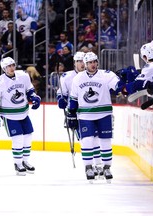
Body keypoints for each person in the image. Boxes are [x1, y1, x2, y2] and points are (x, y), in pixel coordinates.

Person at [67, 52, 123, 182]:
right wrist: (71, 113)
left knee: (105, 141)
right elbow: (74, 98)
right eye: (90, 62)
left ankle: (107, 167)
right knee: (87, 141)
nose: (93, 64)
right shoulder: (78, 78)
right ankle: (88, 167)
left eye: (94, 62)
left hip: (104, 114)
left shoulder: (106, 75)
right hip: (85, 115)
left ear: (97, 62)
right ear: (85, 64)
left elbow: (118, 87)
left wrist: (123, 82)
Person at [0, 57, 41, 176]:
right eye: (9, 66)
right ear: (4, 68)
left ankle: (25, 161)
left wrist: (34, 97)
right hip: (9, 115)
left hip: (24, 112)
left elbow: (29, 90)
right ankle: (18, 163)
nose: (12, 68)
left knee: (28, 137)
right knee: (17, 139)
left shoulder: (23, 75)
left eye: (13, 65)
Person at [56, 52, 104, 178]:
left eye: (84, 61)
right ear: (75, 63)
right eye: (79, 61)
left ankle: (97, 164)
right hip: (76, 114)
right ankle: (90, 165)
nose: (82, 64)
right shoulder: (67, 77)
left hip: (92, 112)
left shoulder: (94, 76)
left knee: (96, 138)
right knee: (86, 139)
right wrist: (61, 100)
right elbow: (61, 94)